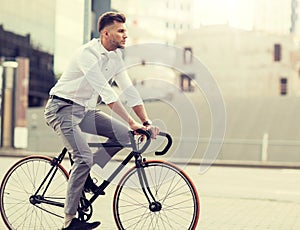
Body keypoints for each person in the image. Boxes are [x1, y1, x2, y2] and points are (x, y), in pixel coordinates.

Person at [44, 11, 160, 230]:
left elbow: (128, 90)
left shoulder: (115, 58)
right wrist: (131, 121)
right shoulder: (87, 54)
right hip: (61, 109)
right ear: (106, 33)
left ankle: (86, 172)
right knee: (84, 157)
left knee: (125, 136)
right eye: (121, 31)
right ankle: (69, 221)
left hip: (85, 110)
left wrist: (144, 121)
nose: (126, 35)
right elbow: (107, 94)